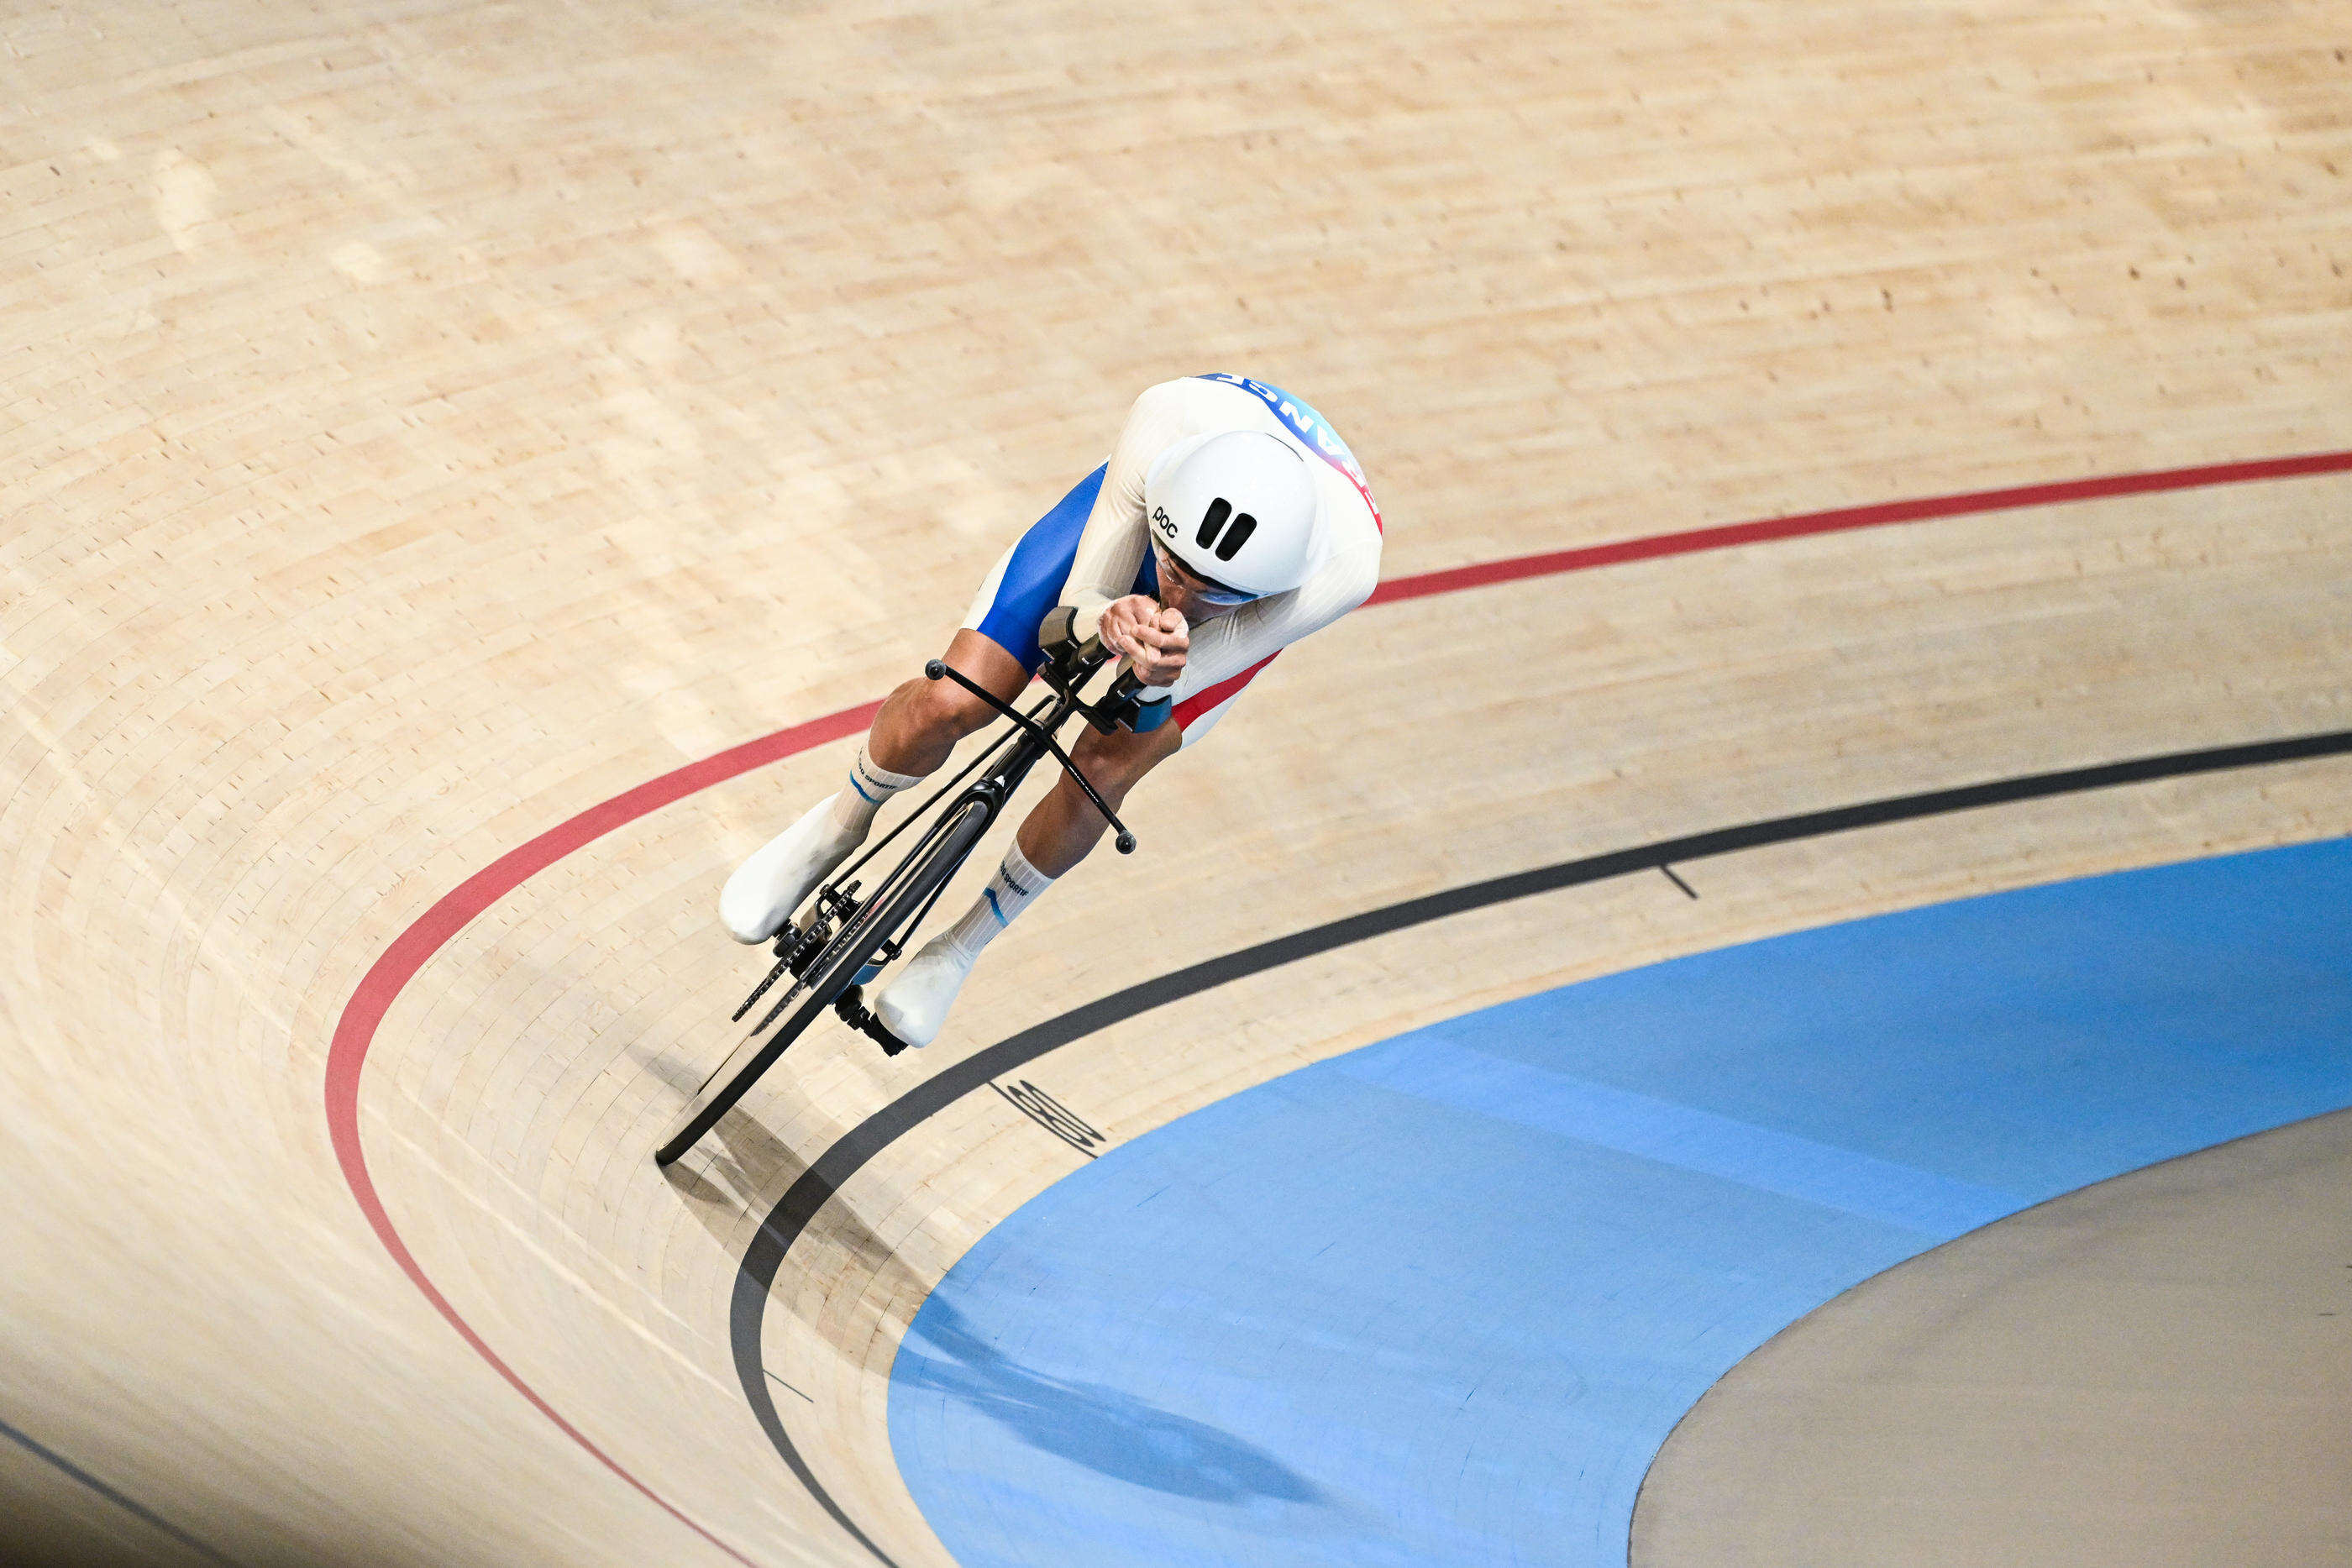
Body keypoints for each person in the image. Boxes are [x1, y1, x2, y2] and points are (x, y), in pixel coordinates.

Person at [720, 373, 1384, 1049]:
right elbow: (1068, 616)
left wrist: (1154, 674)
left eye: (1210, 591)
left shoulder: (1341, 570)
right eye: (1175, 571)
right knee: (954, 697)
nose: (1182, 597)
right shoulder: (1167, 420)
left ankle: (959, 947)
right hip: (1145, 509)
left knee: (1108, 768)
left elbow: (1166, 697)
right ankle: (835, 827)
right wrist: (1105, 617)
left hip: (1240, 613)